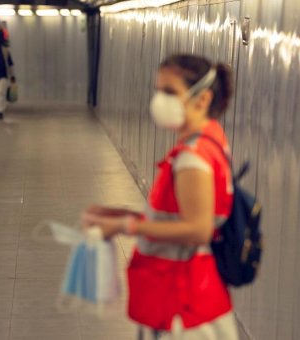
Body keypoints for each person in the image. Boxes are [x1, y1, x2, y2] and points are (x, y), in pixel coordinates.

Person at [81, 54, 238, 339]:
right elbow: (179, 216)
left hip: (183, 304)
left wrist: (124, 227)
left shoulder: (193, 158)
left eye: (170, 92)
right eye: (158, 90)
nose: (159, 100)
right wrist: (125, 215)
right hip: (182, 296)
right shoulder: (208, 140)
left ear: (202, 100)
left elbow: (198, 230)